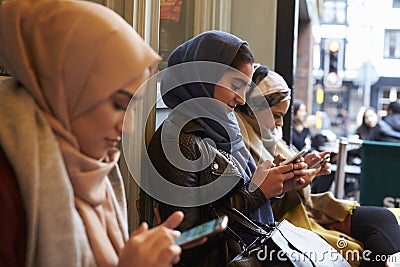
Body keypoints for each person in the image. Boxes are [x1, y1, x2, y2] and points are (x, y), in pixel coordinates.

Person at [0, 0, 185, 266]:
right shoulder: (7, 182)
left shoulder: (96, 170)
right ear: (67, 88)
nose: (128, 127)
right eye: (118, 105)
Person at [147, 30, 305, 267]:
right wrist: (257, 192)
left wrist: (276, 184)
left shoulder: (224, 128)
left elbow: (238, 209)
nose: (242, 99)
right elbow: (185, 240)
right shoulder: (177, 141)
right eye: (235, 85)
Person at [235, 65, 400, 267]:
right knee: (366, 243)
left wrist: (306, 176)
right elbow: (259, 203)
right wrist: (294, 181)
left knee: (383, 219)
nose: (279, 123)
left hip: (304, 209)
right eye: (276, 115)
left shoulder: (265, 135)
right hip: (288, 220)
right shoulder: (243, 140)